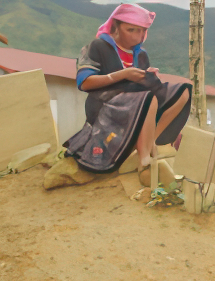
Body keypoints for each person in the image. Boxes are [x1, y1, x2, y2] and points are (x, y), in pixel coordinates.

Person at [63, 4, 191, 186]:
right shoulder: (97, 46)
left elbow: (139, 84)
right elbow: (84, 82)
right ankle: (144, 161)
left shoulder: (141, 53)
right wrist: (123, 74)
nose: (136, 36)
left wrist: (147, 75)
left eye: (141, 31)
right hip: (106, 104)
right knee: (148, 98)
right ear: (116, 26)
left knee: (182, 91)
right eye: (131, 30)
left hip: (136, 100)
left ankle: (149, 141)